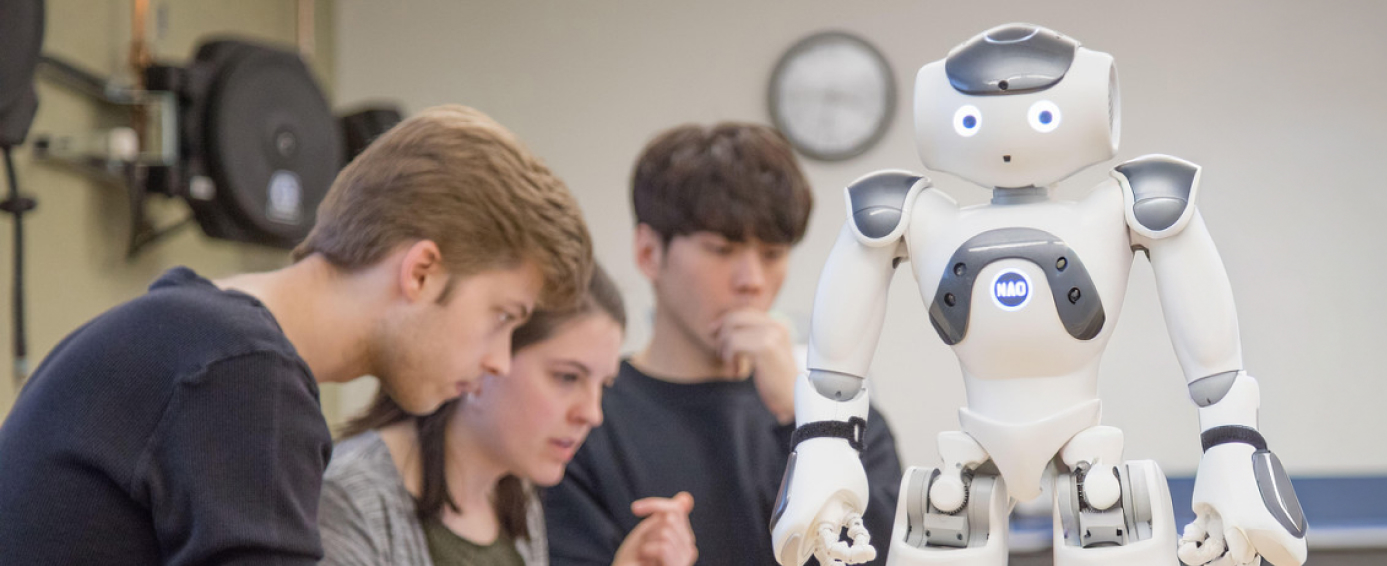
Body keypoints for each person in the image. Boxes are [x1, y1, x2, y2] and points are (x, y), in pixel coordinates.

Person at [0, 104, 593, 565]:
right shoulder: (242, 377)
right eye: (504, 317)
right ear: (420, 271)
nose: (499, 360)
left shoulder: (191, 336)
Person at [542, 123, 903, 565]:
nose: (751, 281)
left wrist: (804, 416)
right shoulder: (583, 418)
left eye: (772, 254)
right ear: (649, 253)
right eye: (721, 249)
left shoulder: (841, 417)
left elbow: (880, 554)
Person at [319, 264, 697, 566]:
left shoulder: (514, 495)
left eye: (604, 384)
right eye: (567, 377)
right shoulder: (349, 498)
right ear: (486, 359)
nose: (592, 414)